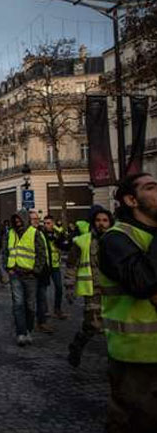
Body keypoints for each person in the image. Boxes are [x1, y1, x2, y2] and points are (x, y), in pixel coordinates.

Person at [98, 173, 157, 433]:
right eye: (151, 188)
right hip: (137, 357)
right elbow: (143, 283)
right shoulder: (116, 239)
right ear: (131, 200)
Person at [66, 207, 113, 367]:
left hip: (114, 291)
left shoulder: (117, 240)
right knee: (93, 325)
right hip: (92, 289)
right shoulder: (82, 241)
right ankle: (77, 346)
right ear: (93, 222)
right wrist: (69, 285)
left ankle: (115, 361)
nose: (101, 224)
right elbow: (71, 264)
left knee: (113, 326)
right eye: (98, 220)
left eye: (105, 220)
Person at [6, 209, 50, 346]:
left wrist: (35, 271)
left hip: (30, 275)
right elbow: (5, 252)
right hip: (15, 274)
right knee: (18, 304)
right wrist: (8, 268)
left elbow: (41, 254)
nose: (17, 222)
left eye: (19, 219)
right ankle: (21, 333)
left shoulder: (34, 233)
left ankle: (28, 330)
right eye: (15, 219)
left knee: (30, 305)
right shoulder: (10, 233)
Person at [41, 215, 68, 320]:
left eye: (48, 223)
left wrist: (59, 240)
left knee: (59, 287)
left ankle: (57, 309)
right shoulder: (41, 233)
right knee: (43, 289)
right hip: (45, 265)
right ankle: (44, 310)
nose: (46, 225)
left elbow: (64, 244)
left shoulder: (58, 233)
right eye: (44, 223)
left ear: (52, 223)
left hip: (55, 264)